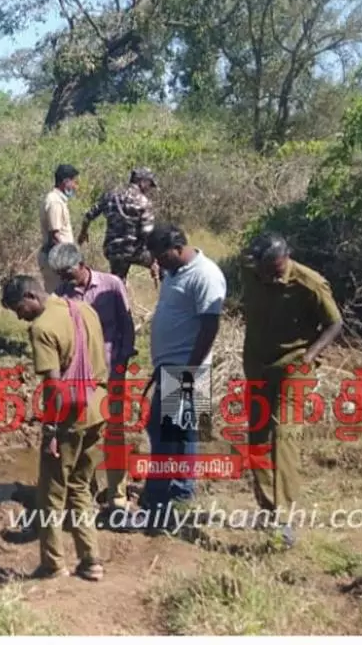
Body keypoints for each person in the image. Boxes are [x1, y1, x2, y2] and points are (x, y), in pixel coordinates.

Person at [1, 274, 109, 582]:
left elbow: (53, 385)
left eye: (18, 308)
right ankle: (91, 561)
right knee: (80, 486)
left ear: (31, 297)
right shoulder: (83, 309)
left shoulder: (42, 328)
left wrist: (50, 429)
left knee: (50, 493)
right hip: (100, 407)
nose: (19, 317)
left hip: (70, 417)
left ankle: (53, 565)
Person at [239, 232, 343, 549]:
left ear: (281, 261)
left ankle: (284, 519)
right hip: (257, 363)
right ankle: (268, 508)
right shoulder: (250, 270)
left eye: (267, 268)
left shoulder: (310, 283)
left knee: (284, 434)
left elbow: (335, 323)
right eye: (257, 267)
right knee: (256, 436)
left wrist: (310, 357)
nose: (261, 273)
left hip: (294, 367)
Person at [131, 224, 226, 531]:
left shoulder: (206, 275)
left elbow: (210, 327)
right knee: (173, 432)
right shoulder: (174, 272)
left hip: (186, 369)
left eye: (162, 256)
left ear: (177, 248)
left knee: (171, 434)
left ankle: (165, 498)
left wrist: (190, 371)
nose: (158, 263)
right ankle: (175, 490)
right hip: (170, 367)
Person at [48, 242, 136, 509]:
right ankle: (86, 488)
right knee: (85, 433)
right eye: (61, 275)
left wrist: (121, 363)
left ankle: (117, 494)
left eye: (68, 272)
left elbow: (126, 325)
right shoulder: (62, 294)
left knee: (115, 432)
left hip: (112, 370)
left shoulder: (111, 285)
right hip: (81, 377)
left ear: (82, 264)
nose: (66, 279)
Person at [80, 167, 160, 284]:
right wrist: (154, 259)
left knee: (117, 283)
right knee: (166, 265)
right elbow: (147, 232)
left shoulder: (110, 196)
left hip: (113, 249)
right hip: (134, 250)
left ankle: (116, 299)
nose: (149, 189)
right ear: (142, 182)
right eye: (149, 184)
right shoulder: (142, 201)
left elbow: (89, 215)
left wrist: (83, 232)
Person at [39, 164, 80, 292]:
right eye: (74, 182)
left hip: (58, 258)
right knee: (58, 298)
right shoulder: (55, 202)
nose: (75, 186)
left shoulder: (58, 200)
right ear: (65, 182)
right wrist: (69, 260)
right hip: (56, 260)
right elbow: (55, 236)